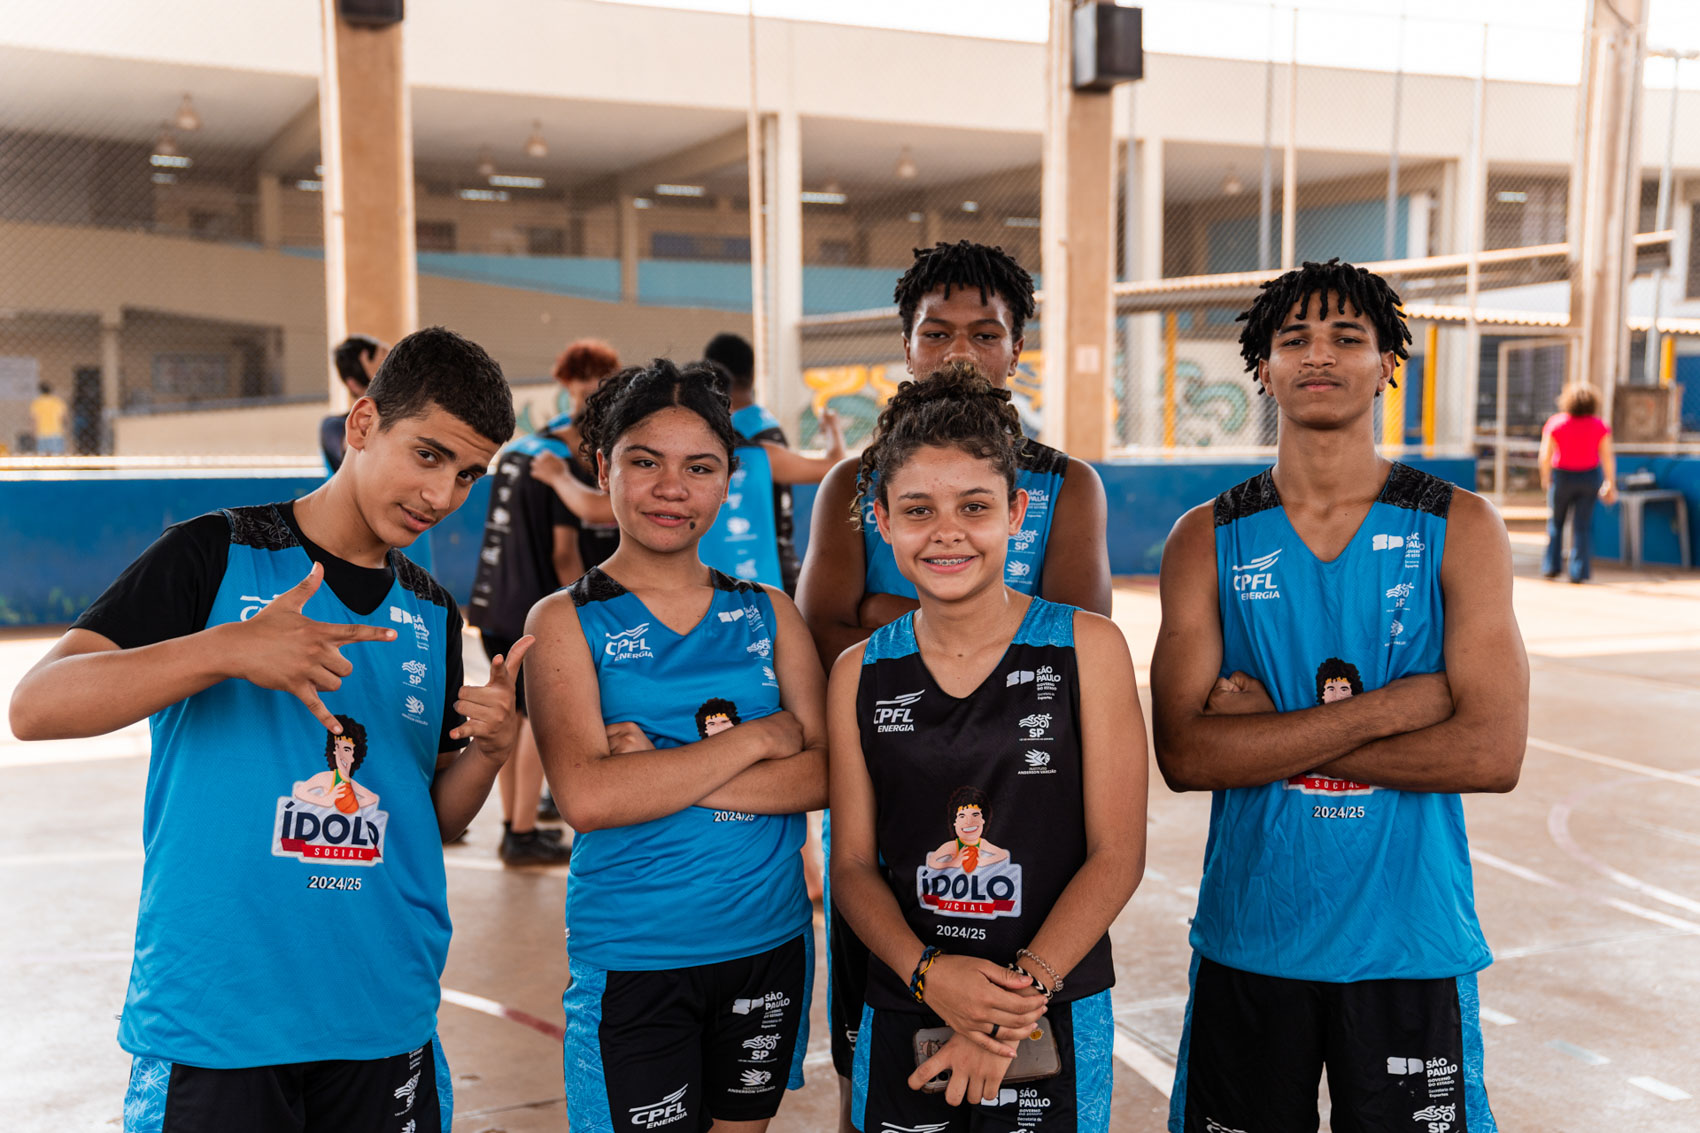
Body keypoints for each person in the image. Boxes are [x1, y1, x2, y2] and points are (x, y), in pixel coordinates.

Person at [9, 326, 528, 1133]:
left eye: (467, 474)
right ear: (363, 424)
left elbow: (429, 820)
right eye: (427, 455)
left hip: (383, 1011)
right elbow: (35, 705)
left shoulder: (431, 611)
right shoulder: (216, 553)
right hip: (223, 1017)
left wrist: (491, 753)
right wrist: (225, 648)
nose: (441, 495)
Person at [1149, 260, 1530, 1132]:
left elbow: (1490, 754)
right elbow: (1187, 753)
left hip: (1409, 941)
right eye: (1295, 339)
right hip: (1254, 935)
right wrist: (1397, 706)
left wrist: (1269, 735)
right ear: (1264, 366)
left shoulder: (1461, 526)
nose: (1319, 355)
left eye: (1347, 337)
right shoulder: (1204, 538)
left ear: (1388, 362)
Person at [796, 240, 1113, 1126]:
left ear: (1018, 348)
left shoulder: (1065, 483)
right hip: (896, 826)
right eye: (937, 333)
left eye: (986, 332)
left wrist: (886, 607)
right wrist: (980, 610)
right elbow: (822, 633)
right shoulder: (853, 481)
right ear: (906, 346)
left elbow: (1070, 637)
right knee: (876, 1074)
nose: (960, 351)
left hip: (1032, 819)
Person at [525, 358, 827, 1132]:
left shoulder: (769, 611)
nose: (672, 488)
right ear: (604, 468)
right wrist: (760, 738)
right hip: (637, 953)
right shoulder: (563, 620)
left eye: (699, 467)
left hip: (769, 943)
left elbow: (827, 774)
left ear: (729, 480)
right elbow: (589, 798)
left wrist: (653, 771)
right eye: (645, 462)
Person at [468, 338, 621, 863]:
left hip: (492, 602)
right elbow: (562, 553)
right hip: (533, 608)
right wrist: (585, 615)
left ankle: (514, 825)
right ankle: (524, 830)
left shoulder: (524, 449)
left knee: (512, 716)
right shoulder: (564, 462)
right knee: (538, 720)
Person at [701, 331, 845, 593]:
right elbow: (834, 465)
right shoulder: (767, 429)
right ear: (753, 374)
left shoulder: (730, 439)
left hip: (742, 571)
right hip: (775, 566)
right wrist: (832, 428)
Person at [1538, 382, 1617, 583]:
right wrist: (1610, 483)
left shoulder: (1556, 423)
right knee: (1582, 525)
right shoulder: (1599, 425)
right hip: (1589, 478)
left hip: (1562, 477)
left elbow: (1545, 455)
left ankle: (1551, 567)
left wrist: (1546, 478)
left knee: (1556, 523)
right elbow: (1607, 457)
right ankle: (1579, 572)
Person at [321, 333, 390, 474]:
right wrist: (379, 383)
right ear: (353, 385)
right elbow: (357, 454)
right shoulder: (333, 426)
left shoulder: (404, 418)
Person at [31, 380, 70, 455]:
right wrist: (65, 428)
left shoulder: (37, 403)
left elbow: (34, 419)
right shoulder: (58, 402)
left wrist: (33, 431)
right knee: (56, 455)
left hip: (41, 432)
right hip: (56, 431)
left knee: (42, 455)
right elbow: (64, 417)